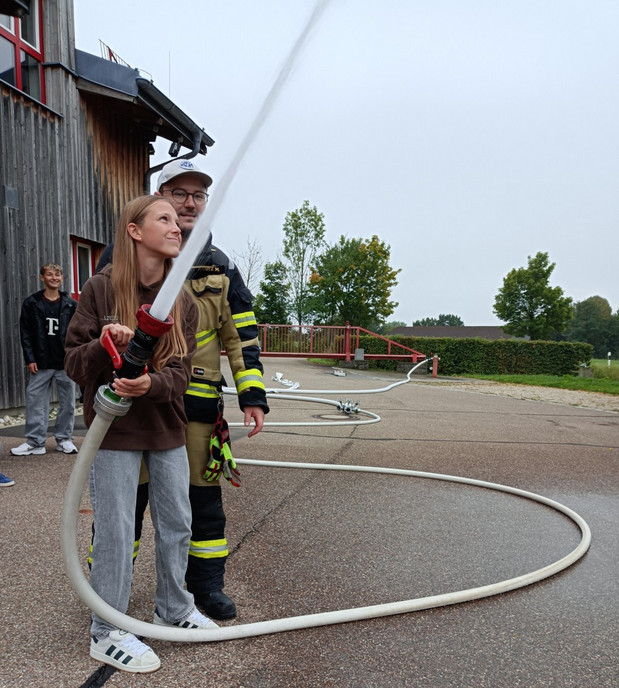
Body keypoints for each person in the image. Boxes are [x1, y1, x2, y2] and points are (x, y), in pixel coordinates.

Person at [95, 159, 269, 620]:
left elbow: (241, 335)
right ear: (160, 198)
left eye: (198, 195)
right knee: (124, 503)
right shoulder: (120, 260)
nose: (189, 203)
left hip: (196, 406)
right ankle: (105, 593)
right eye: (179, 194)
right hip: (136, 408)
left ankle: (204, 589)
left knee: (200, 502)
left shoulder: (220, 265)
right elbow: (96, 331)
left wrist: (252, 395)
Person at [65, 195, 217, 674]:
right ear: (134, 230)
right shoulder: (101, 288)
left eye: (178, 221)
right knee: (115, 531)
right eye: (164, 219)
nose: (177, 227)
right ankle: (107, 630)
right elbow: (73, 363)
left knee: (178, 523)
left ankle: (172, 608)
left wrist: (151, 384)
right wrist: (103, 343)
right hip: (113, 432)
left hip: (166, 427)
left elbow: (181, 373)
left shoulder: (182, 300)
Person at [12, 263, 78, 456]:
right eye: (49, 274)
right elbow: (26, 333)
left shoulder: (71, 304)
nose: (54, 278)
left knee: (68, 403)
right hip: (41, 361)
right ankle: (35, 442)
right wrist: (30, 358)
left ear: (62, 278)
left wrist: (74, 356)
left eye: (57, 275)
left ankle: (64, 439)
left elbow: (78, 332)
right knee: (35, 401)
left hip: (65, 361)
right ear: (42, 277)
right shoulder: (31, 303)